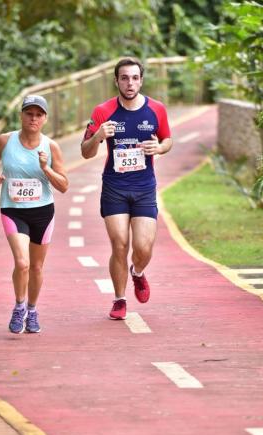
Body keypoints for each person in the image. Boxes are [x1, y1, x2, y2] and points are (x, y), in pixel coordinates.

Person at [81, 57, 173, 320]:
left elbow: (168, 140)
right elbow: (85, 152)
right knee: (119, 244)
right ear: (116, 81)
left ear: (141, 80)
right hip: (115, 187)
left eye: (134, 77)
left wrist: (160, 148)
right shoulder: (103, 111)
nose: (130, 83)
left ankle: (138, 273)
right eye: (124, 78)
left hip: (144, 186)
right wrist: (98, 136)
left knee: (143, 248)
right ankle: (119, 299)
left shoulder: (156, 109)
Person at [0, 95, 68, 333]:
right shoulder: (5, 141)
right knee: (22, 263)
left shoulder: (50, 146)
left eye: (38, 114)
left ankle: (32, 311)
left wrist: (45, 168)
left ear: (45, 118)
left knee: (36, 266)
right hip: (13, 210)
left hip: (43, 212)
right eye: (29, 113)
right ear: (21, 115)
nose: (33, 118)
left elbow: (64, 185)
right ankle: (19, 307)